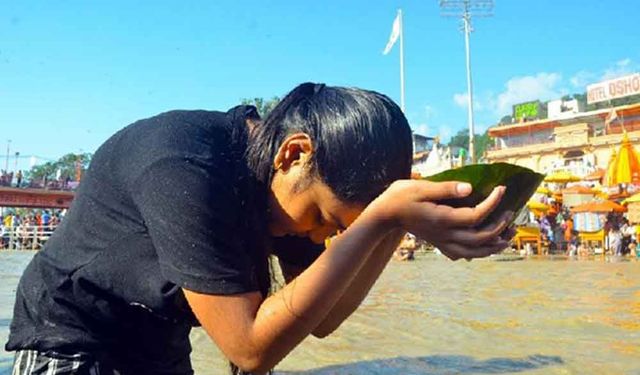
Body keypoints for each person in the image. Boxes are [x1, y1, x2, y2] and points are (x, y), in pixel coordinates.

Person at [6, 83, 512, 375]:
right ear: (294, 153)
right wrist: (379, 218)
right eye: (323, 221)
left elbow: (323, 318)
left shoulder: (288, 187)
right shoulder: (183, 166)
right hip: (71, 341)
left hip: (157, 344)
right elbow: (249, 349)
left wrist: (394, 223)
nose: (317, 238)